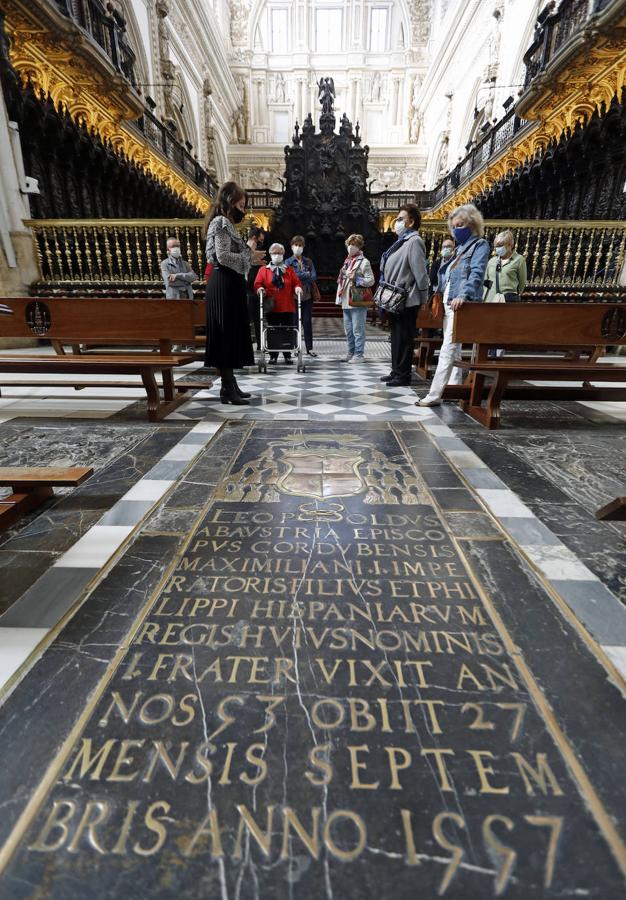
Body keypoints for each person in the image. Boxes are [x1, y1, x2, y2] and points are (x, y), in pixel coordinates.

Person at [416, 203, 490, 407]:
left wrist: (464, 295)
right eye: (454, 226)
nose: (457, 229)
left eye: (461, 225)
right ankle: (454, 387)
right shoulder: (459, 249)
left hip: (461, 303)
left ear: (472, 225)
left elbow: (476, 274)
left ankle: (434, 394)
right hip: (449, 303)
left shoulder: (480, 245)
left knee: (447, 348)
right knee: (454, 348)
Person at [204, 181, 266, 405]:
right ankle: (228, 388)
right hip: (223, 283)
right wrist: (249, 256)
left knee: (229, 335)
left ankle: (229, 386)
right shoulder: (220, 222)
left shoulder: (225, 223)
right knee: (225, 336)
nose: (243, 210)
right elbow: (222, 257)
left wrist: (250, 256)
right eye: (241, 206)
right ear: (229, 203)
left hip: (229, 282)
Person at [379, 203, 429, 386]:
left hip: (407, 298)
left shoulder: (414, 241)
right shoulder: (403, 241)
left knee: (405, 337)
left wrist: (423, 299)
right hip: (396, 297)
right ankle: (396, 370)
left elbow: (420, 273)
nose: (397, 222)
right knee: (396, 337)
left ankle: (403, 375)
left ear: (411, 221)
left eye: (400, 219)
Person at [254, 243, 302, 365]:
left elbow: (296, 282)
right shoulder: (263, 270)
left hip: (287, 306)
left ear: (283, 254)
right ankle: (273, 356)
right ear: (270, 254)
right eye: (275, 253)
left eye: (280, 253)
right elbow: (257, 283)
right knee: (272, 331)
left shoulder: (289, 270)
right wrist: (260, 289)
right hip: (272, 307)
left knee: (287, 331)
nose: (277, 255)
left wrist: (297, 288)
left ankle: (287, 355)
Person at [336, 234, 375, 363]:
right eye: (349, 244)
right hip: (346, 299)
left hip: (357, 299)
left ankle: (359, 354)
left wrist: (357, 278)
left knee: (358, 329)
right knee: (348, 330)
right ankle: (351, 352)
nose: (351, 247)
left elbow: (371, 280)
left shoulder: (364, 262)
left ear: (359, 247)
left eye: (354, 245)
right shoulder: (347, 261)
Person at [285, 235, 318, 357]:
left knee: (307, 322)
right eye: (296, 245)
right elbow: (290, 277)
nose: (298, 247)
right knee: (294, 322)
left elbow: (313, 276)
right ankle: (295, 347)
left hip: (307, 296)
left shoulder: (308, 261)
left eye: (300, 245)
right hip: (293, 296)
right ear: (291, 246)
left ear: (303, 247)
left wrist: (299, 276)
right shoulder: (287, 262)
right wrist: (305, 274)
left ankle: (309, 348)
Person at [484, 229, 527, 302]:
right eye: (496, 246)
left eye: (500, 246)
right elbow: (486, 282)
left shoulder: (519, 260)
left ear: (510, 245)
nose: (498, 249)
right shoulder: (492, 261)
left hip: (508, 301)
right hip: (490, 300)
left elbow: (522, 284)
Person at [246, 225, 266, 348]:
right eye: (260, 240)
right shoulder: (242, 253)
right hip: (244, 292)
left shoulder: (260, 254)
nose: (261, 244)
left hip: (257, 292)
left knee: (259, 320)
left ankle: (260, 344)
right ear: (254, 238)